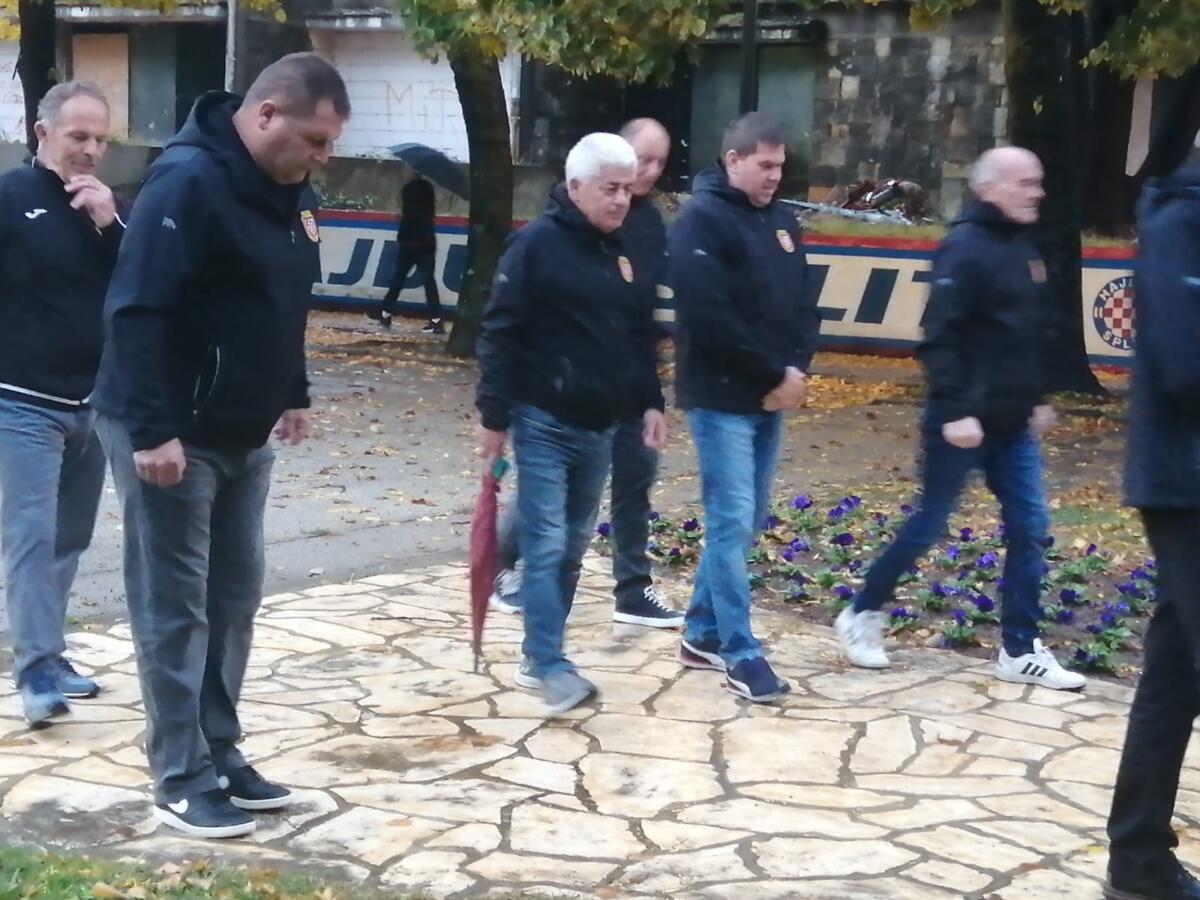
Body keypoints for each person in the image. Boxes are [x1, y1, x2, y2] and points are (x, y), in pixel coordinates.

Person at [91, 53, 350, 839]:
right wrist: (153, 429)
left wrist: (292, 389)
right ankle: (178, 776)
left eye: (329, 144)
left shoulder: (286, 189)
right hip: (174, 433)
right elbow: (136, 309)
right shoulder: (187, 182)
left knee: (232, 601)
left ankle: (219, 750)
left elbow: (285, 297)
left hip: (244, 430)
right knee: (175, 608)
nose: (321, 158)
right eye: (314, 140)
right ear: (266, 114)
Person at [835, 147, 1086, 693]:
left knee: (1031, 529)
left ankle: (1020, 648)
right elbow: (939, 338)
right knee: (930, 523)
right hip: (961, 423)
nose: (1037, 192)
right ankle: (862, 612)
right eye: (1026, 182)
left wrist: (1036, 397)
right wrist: (955, 409)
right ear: (990, 187)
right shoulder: (964, 248)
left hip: (1012, 424)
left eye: (1039, 182)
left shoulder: (1025, 247)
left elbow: (1026, 334)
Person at [476, 132, 667, 714]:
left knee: (574, 545)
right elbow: (499, 330)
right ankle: (548, 661)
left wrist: (651, 402)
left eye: (628, 190)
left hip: (601, 424)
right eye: (610, 189)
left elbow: (638, 334)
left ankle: (540, 654)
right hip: (542, 419)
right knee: (547, 540)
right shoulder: (535, 246)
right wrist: (493, 417)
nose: (621, 200)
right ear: (576, 185)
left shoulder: (625, 251)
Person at [670, 112, 819, 703]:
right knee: (731, 520)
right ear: (733, 160)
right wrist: (773, 373)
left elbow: (805, 301)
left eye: (780, 166)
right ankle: (740, 651)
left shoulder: (782, 220)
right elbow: (709, 319)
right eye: (764, 165)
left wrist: (796, 370)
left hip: (770, 395)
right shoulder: (700, 220)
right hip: (720, 398)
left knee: (748, 519)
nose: (774, 176)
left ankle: (701, 632)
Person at [0, 82, 122, 726]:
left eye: (101, 139)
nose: (91, 149)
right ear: (42, 132)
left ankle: (52, 651)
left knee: (70, 537)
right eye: (79, 136)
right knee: (31, 535)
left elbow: (143, 283)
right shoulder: (11, 197)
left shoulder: (107, 209)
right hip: (21, 401)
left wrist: (111, 223)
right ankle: (36, 671)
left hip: (92, 403)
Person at [1104, 150, 1200, 900]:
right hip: (1185, 482)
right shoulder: (1179, 218)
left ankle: (1138, 858)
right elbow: (1181, 362)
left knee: (1174, 675)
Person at [368, 176, 443, 333]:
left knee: (398, 278)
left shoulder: (410, 207)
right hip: (427, 243)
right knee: (428, 280)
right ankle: (436, 319)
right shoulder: (427, 204)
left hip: (409, 244)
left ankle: (385, 313)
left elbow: (406, 226)